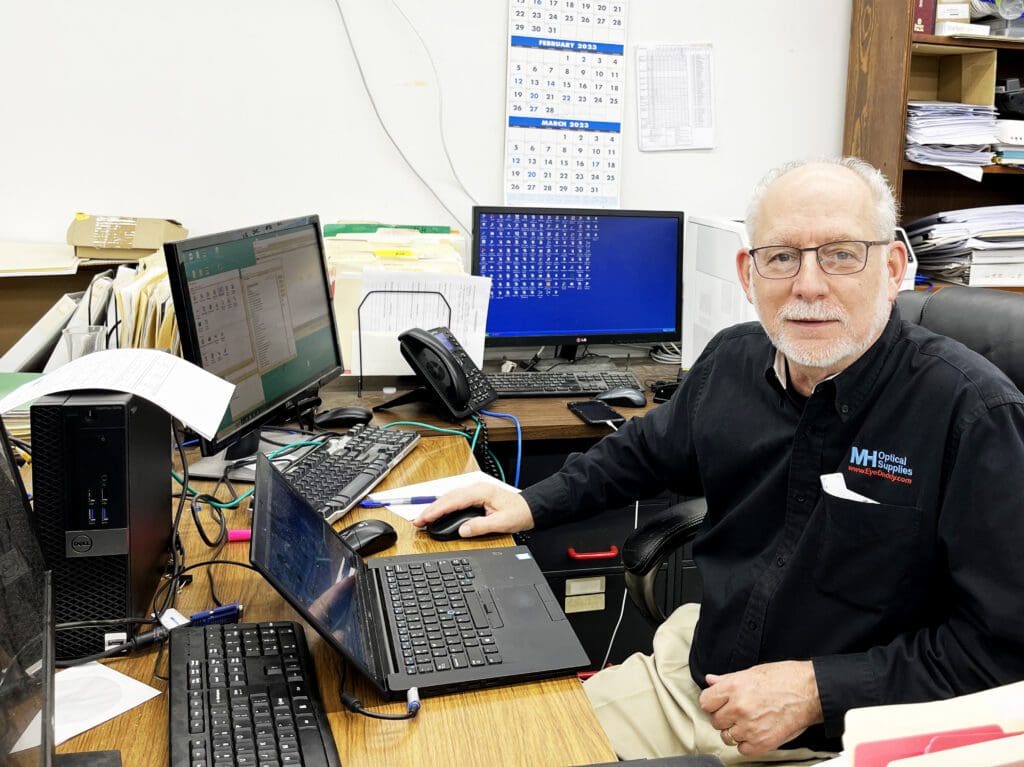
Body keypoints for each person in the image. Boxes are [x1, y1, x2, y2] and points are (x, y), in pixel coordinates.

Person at [415, 157, 1024, 765]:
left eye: (841, 254)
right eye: (782, 256)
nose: (809, 285)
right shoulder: (731, 363)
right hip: (697, 678)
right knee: (479, 746)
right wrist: (525, 501)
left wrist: (818, 691)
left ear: (892, 269)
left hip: (841, 736)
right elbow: (641, 452)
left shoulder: (972, 413)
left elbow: (1004, 650)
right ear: (748, 273)